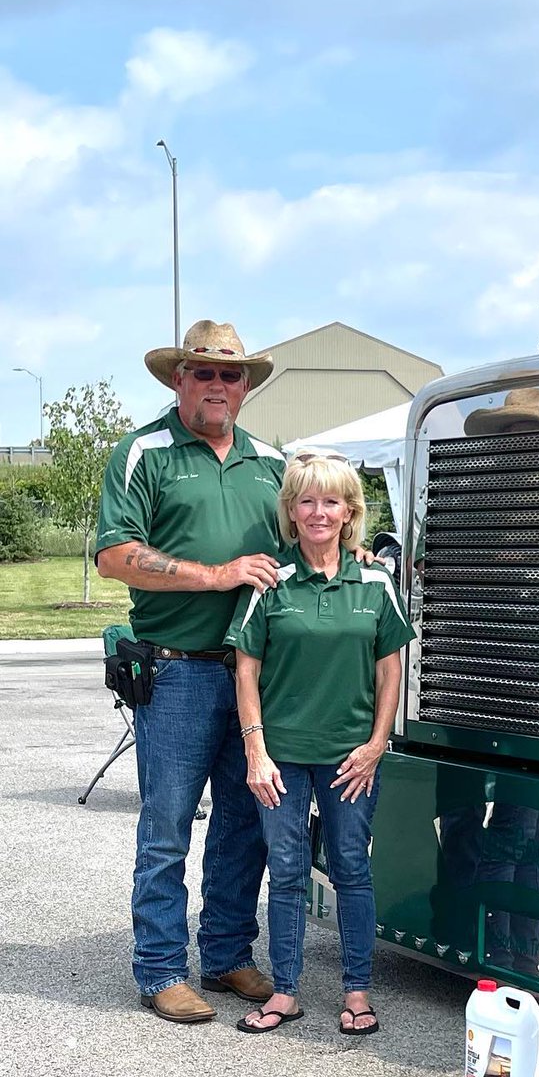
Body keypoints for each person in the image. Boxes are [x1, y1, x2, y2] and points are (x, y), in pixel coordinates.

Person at [95, 320, 284, 1023]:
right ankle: (161, 969)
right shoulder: (143, 450)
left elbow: (307, 543)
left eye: (229, 375)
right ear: (178, 379)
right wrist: (216, 575)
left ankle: (230, 953)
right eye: (201, 373)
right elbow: (114, 555)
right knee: (169, 824)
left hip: (254, 676)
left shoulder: (272, 461)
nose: (216, 385)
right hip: (175, 675)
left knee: (245, 823)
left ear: (244, 387)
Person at [225, 452, 413, 1036]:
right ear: (291, 510)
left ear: (350, 511)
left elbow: (390, 668)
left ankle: (357, 992)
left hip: (350, 758)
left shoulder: (375, 580)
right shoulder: (270, 581)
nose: (318, 512)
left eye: (331, 501)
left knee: (352, 868)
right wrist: (255, 751)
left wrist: (378, 744)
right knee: (285, 871)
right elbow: (245, 669)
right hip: (279, 758)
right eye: (306, 500)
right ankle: (285, 992)